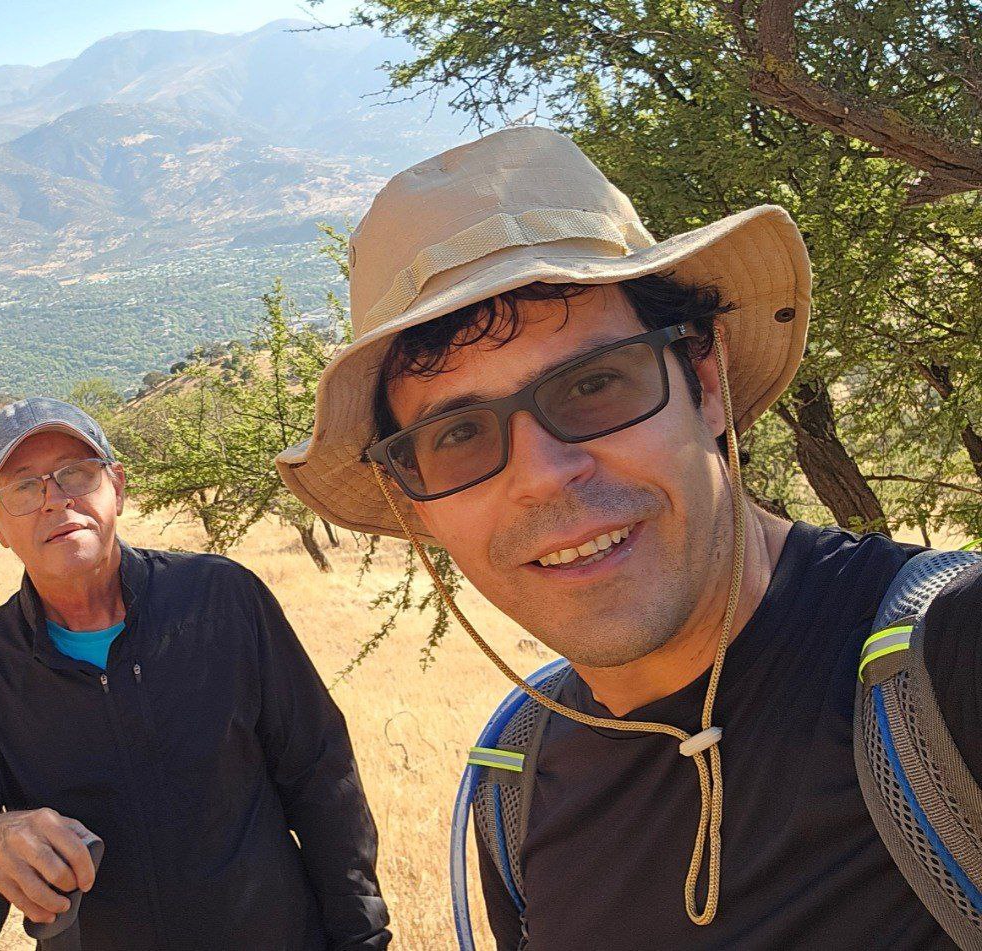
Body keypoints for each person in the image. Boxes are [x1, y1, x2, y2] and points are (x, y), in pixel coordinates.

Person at [276, 126, 982, 948]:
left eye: (594, 383)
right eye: (460, 434)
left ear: (704, 383)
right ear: (416, 505)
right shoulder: (518, 789)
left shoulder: (952, 665)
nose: (542, 473)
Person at [0, 396, 391, 950]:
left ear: (117, 486)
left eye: (76, 474)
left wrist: (363, 938)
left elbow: (322, 777)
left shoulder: (221, 600)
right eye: (23, 486)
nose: (55, 501)